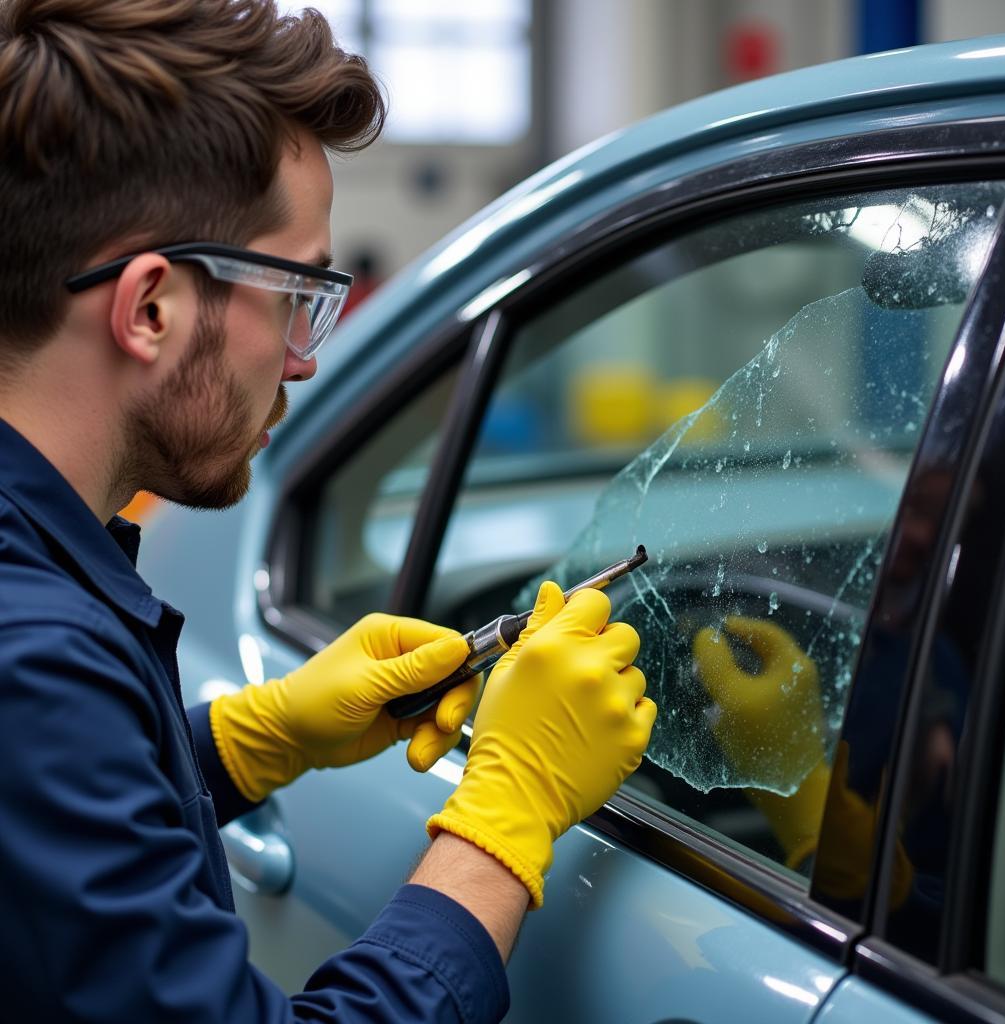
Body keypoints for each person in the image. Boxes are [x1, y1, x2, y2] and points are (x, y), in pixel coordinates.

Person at [0, 2, 657, 1020]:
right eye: (297, 293)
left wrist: (245, 741)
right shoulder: (32, 658)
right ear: (150, 308)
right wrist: (505, 815)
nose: (306, 358)